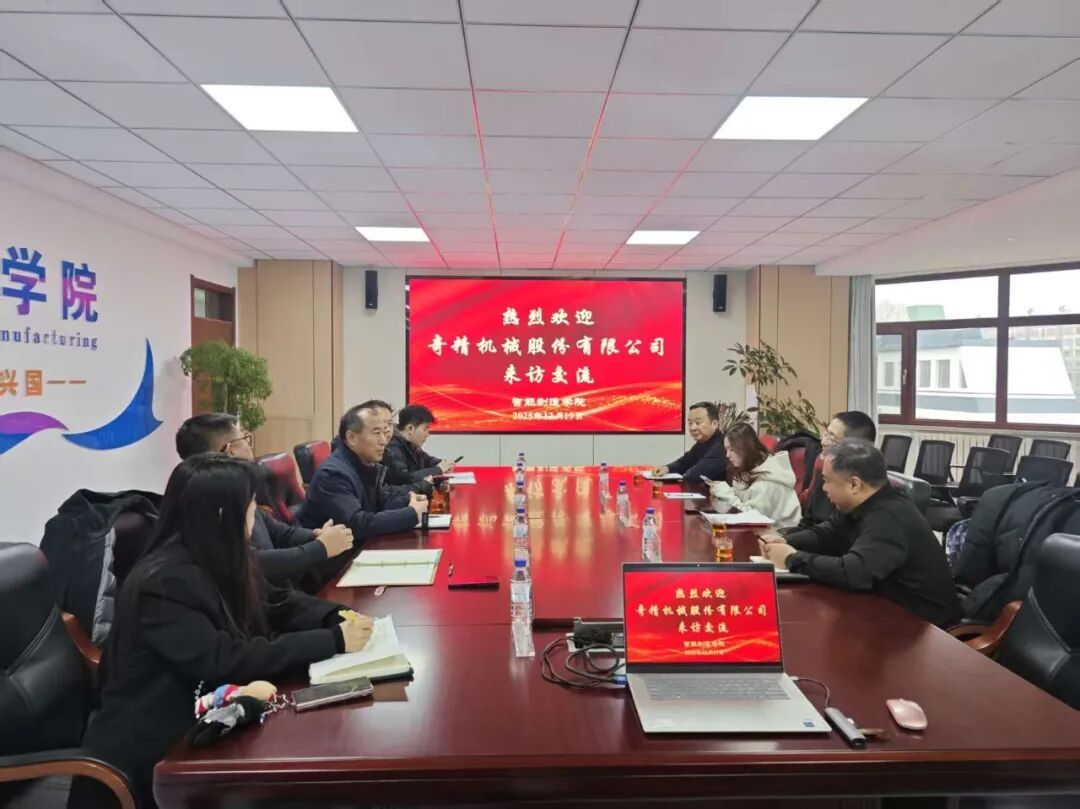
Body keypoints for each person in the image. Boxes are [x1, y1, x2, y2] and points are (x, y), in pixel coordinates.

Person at [75, 455, 374, 809]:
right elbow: (224, 658)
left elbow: (277, 601)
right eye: (250, 504)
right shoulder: (164, 582)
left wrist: (335, 616)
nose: (256, 512)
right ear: (221, 514)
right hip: (160, 748)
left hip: (211, 718)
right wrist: (333, 640)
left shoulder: (217, 555)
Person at [759, 439, 961, 627]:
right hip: (883, 608)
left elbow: (853, 573)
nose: (824, 488)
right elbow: (828, 533)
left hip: (924, 626)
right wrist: (785, 540)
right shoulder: (861, 504)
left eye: (827, 481)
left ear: (854, 484)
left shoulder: (889, 516)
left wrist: (792, 558)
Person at [176, 413, 354, 587]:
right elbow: (251, 563)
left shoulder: (238, 486)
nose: (249, 444)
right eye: (245, 438)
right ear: (230, 449)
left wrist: (316, 535)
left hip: (281, 591)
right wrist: (320, 548)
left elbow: (279, 532)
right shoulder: (204, 506)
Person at [300, 401, 429, 541]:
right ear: (352, 438)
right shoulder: (333, 475)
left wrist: (410, 500)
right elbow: (357, 525)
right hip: (341, 553)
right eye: (376, 433)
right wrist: (411, 514)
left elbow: (381, 501)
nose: (384, 441)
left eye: (385, 432)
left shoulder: (365, 463)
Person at [792, 410, 877, 530]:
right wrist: (784, 538)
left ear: (855, 448)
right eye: (826, 434)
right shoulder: (826, 473)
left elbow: (834, 535)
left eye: (832, 438)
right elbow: (807, 521)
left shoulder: (865, 496)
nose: (823, 442)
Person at [709, 422, 801, 528]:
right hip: (764, 530)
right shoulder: (750, 469)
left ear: (745, 448)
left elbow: (752, 518)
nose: (727, 455)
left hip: (781, 533)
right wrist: (722, 491)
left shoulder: (767, 481)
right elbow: (742, 499)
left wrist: (725, 492)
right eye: (726, 449)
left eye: (732, 449)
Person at [652, 401, 727, 483]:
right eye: (690, 423)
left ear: (714, 424)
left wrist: (683, 476)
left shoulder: (721, 445)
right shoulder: (702, 442)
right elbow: (685, 462)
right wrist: (667, 468)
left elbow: (696, 474)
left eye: (698, 423)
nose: (692, 428)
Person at [384, 404, 455, 486]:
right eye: (425, 429)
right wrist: (439, 469)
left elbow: (428, 461)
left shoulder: (412, 445)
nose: (427, 434)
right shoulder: (392, 447)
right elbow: (404, 479)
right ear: (410, 428)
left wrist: (443, 464)